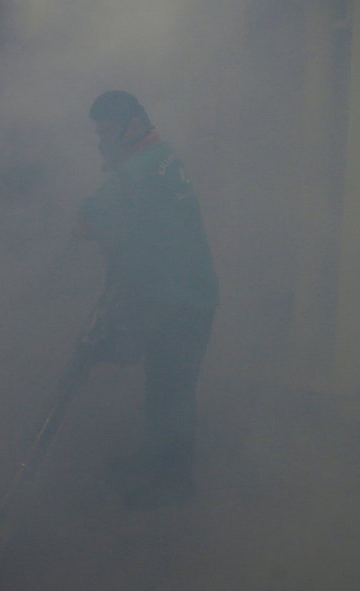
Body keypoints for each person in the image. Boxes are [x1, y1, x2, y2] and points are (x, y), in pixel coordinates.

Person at [74, 91, 218, 510]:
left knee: (171, 390)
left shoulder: (133, 172)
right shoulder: (163, 153)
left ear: (132, 126)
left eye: (105, 132)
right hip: (186, 290)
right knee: (164, 384)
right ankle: (161, 461)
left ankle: (173, 487)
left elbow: (87, 220)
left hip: (178, 299)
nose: (101, 140)